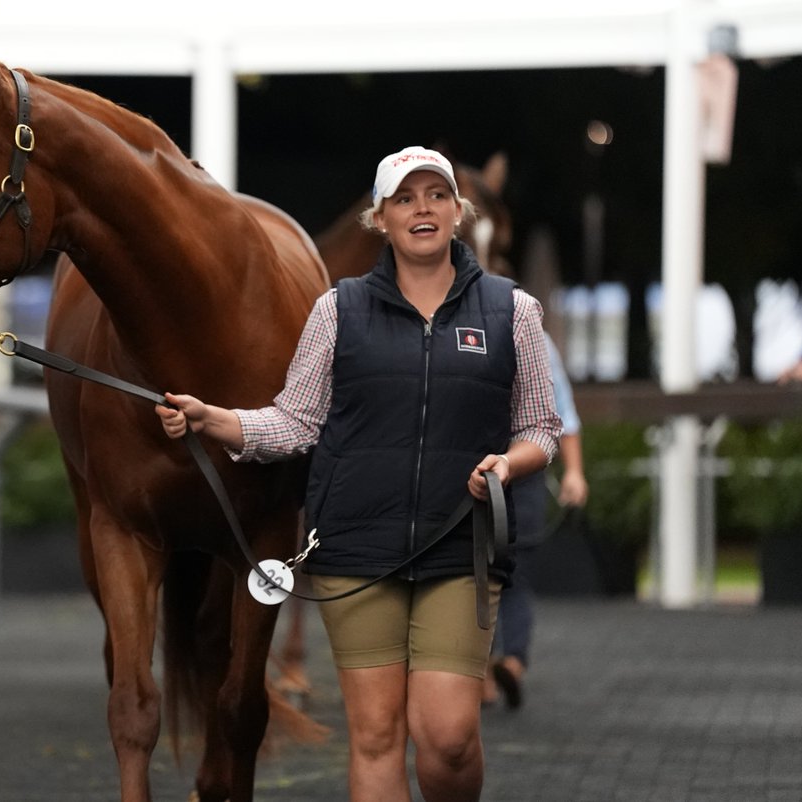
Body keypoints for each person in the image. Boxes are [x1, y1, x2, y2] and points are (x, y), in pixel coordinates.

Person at [155, 146, 561, 802]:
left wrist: (509, 463)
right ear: (380, 219)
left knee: (449, 737)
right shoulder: (335, 311)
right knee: (375, 735)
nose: (421, 208)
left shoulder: (512, 312)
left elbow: (540, 427)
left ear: (458, 213)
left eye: (436, 195)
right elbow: (294, 424)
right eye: (404, 198)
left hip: (460, 550)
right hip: (355, 554)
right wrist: (213, 419)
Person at [485, 333, 588, 710]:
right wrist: (574, 473)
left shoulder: (534, 336)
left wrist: (574, 473)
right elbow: (565, 412)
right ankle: (510, 662)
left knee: (491, 574)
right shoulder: (537, 337)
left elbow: (562, 411)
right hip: (520, 470)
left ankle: (490, 670)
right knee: (513, 577)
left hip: (508, 469)